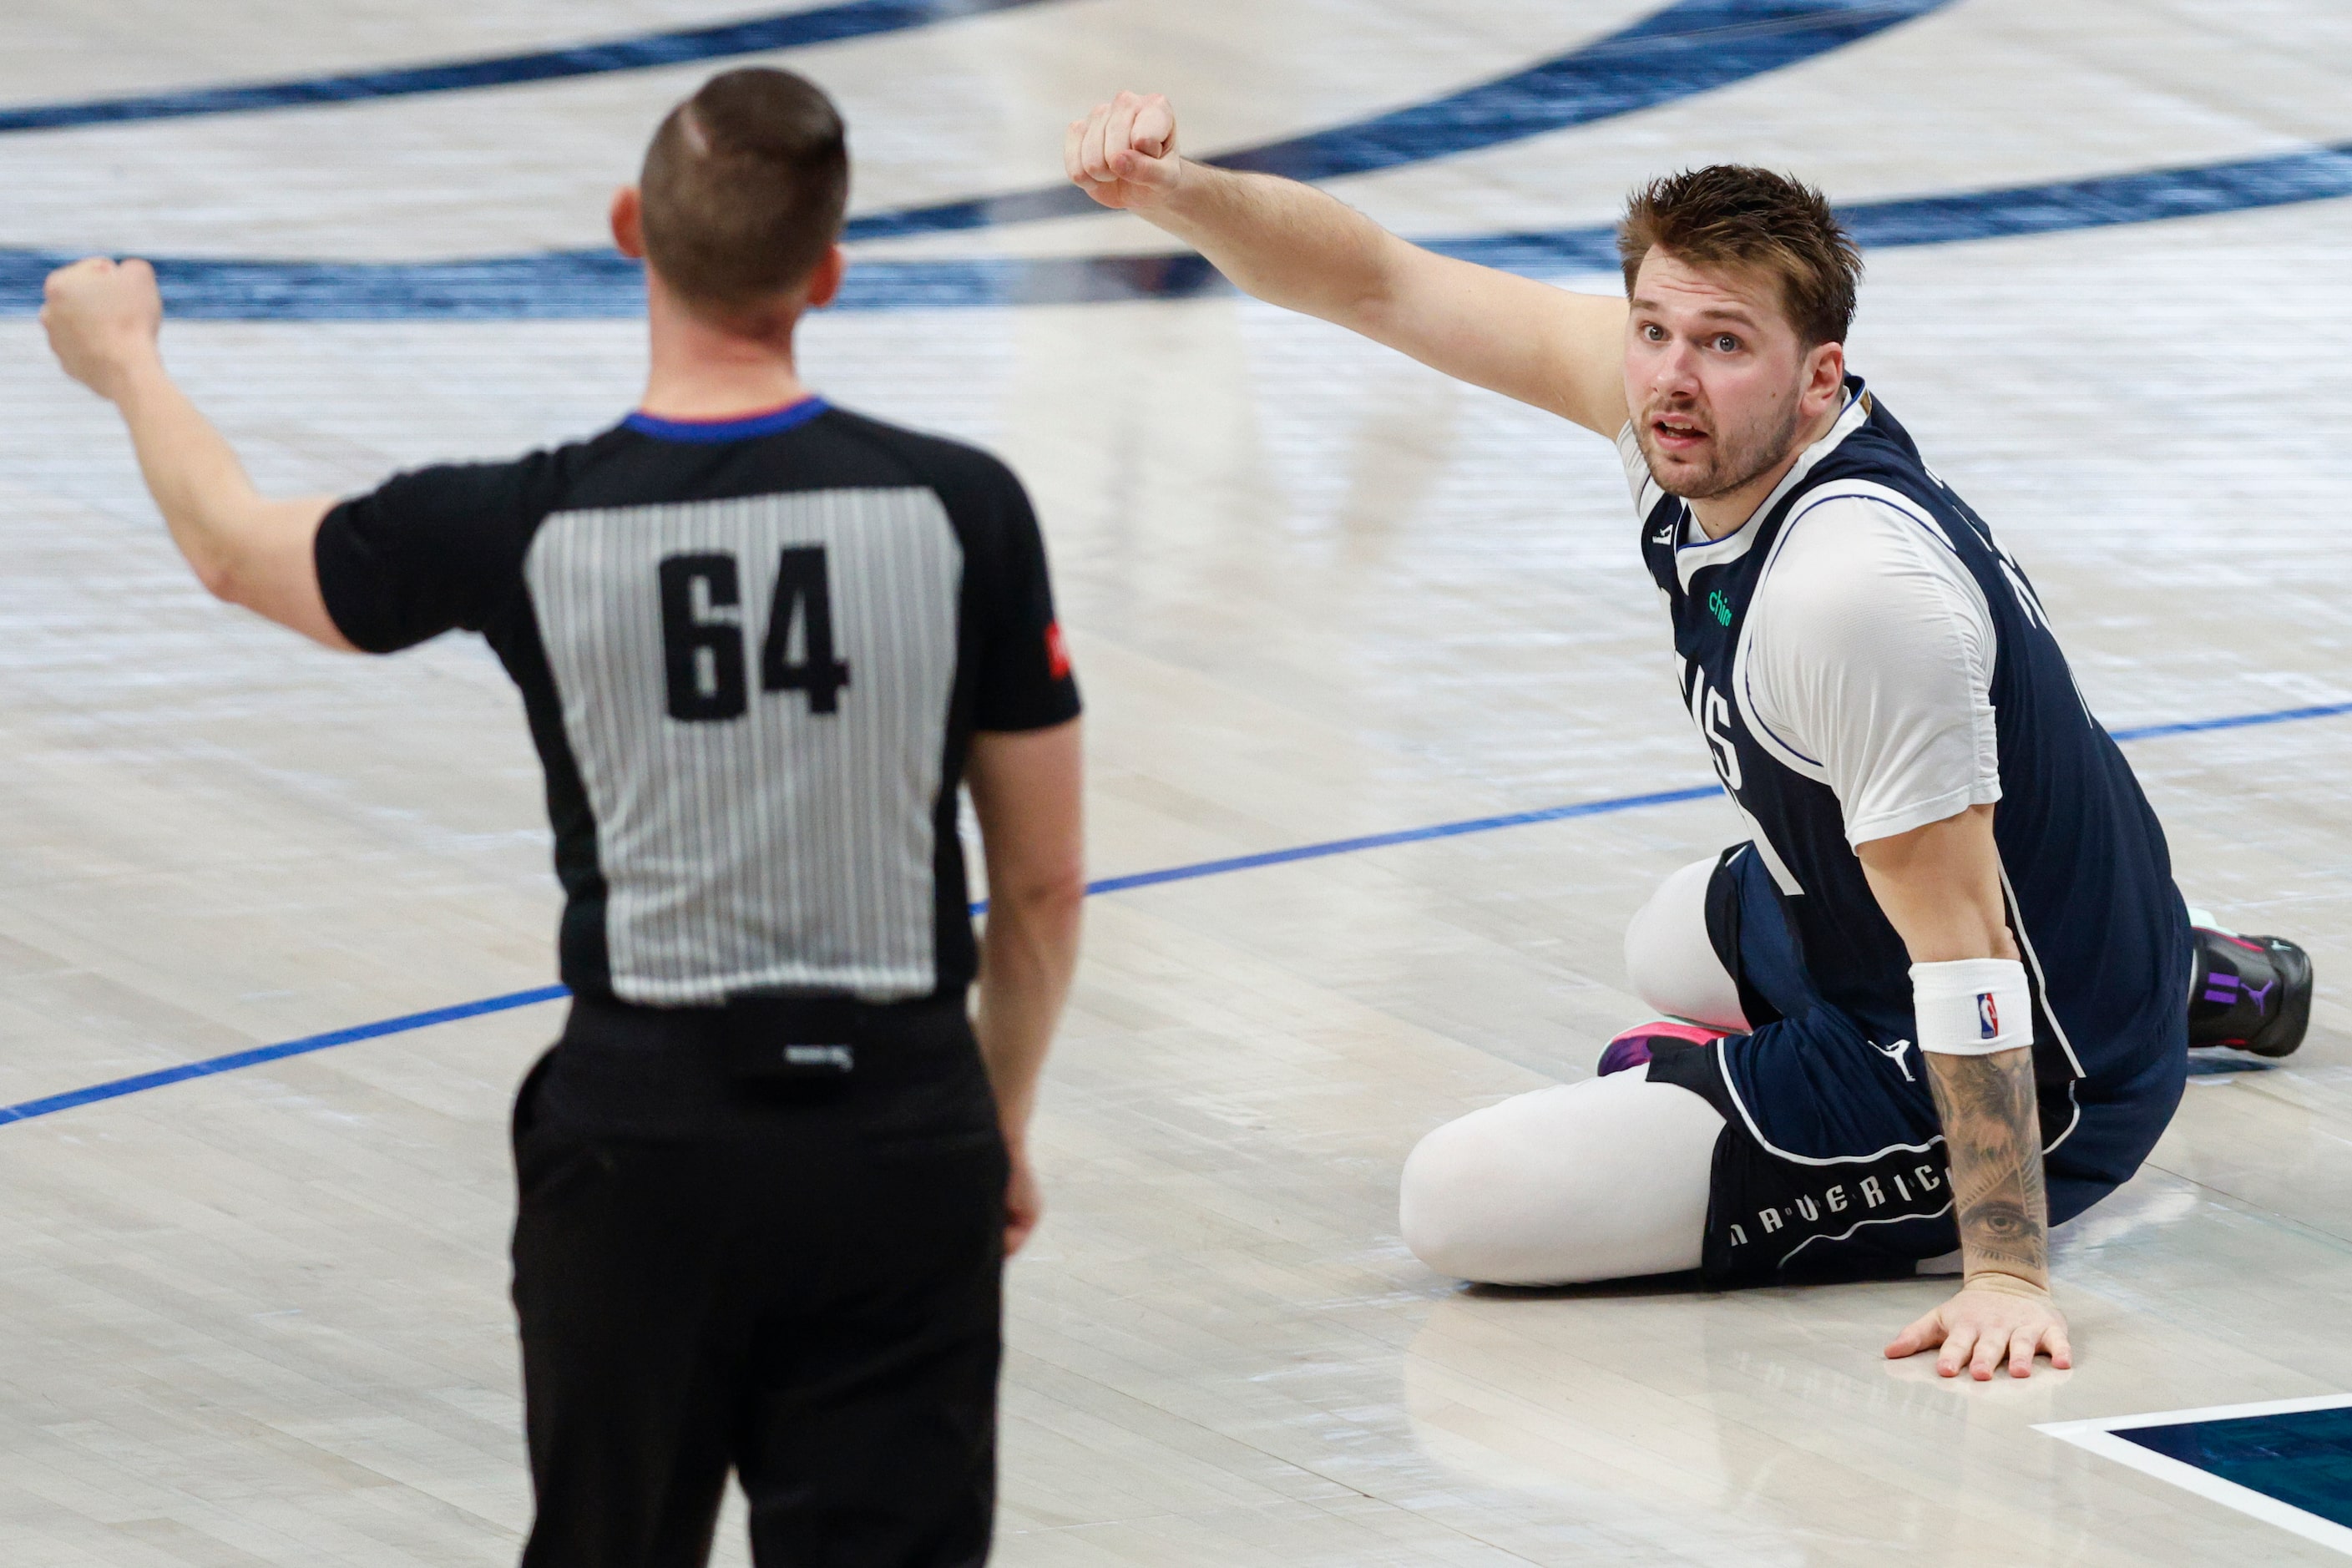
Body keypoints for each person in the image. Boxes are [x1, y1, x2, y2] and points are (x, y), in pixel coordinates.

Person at [1062, 93, 2309, 1381]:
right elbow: (1373, 282)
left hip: (2032, 1070)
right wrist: (1178, 197)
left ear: (1816, 372)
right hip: (2009, 925)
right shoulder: (1702, 422)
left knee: (1456, 1202)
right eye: (1652, 329)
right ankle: (2189, 968)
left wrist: (2002, 1264)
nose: (1667, 373)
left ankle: (2119, 1028)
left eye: (1719, 342)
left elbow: (1965, 956)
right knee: (1665, 935)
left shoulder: (1850, 590)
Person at [43, 67, 1085, 1566]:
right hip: (895, 1129)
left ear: (627, 230)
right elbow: (1041, 886)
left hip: (642, 1140)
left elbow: (231, 552)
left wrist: (129, 360)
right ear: (830, 273)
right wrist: (991, 1124)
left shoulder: (522, 525)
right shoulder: (963, 508)